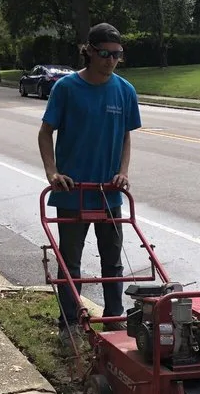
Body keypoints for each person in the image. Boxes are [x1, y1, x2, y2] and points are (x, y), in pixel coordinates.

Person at [38, 22, 142, 349]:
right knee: (71, 263)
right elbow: (45, 132)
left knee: (113, 264)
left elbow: (125, 136)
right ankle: (69, 324)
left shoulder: (125, 90)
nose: (111, 60)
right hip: (72, 193)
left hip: (108, 194)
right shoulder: (66, 88)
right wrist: (52, 173)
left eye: (117, 55)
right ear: (89, 51)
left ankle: (114, 322)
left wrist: (123, 171)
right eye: (104, 53)